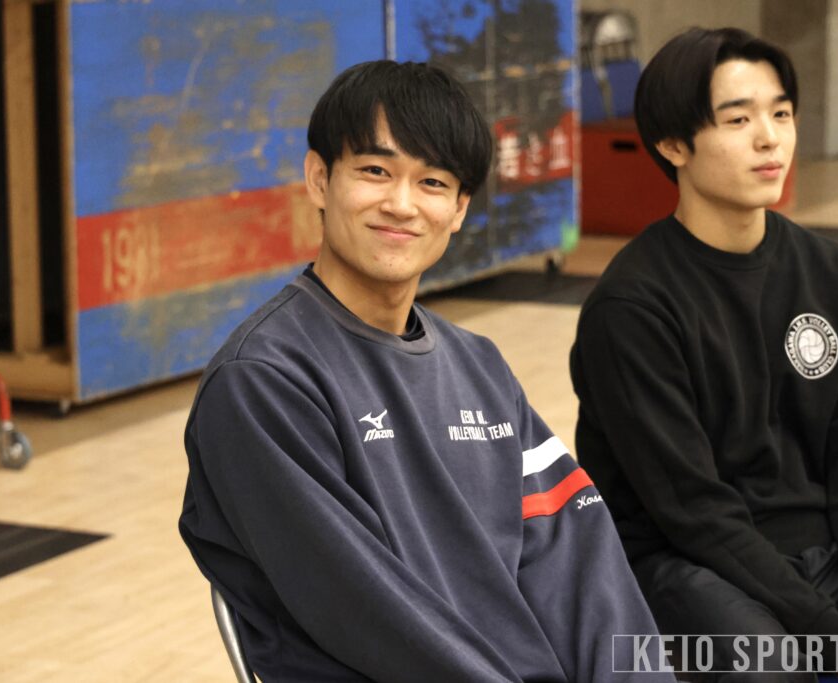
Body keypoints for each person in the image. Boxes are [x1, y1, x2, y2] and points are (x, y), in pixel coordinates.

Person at [180, 60, 671, 682]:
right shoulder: (263, 381)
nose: (402, 204)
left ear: (460, 208)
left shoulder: (478, 365)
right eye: (375, 171)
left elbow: (579, 559)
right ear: (319, 178)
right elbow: (369, 612)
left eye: (433, 182)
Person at [570, 26, 838, 682]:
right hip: (684, 566)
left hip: (824, 545)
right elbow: (693, 513)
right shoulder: (632, 307)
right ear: (674, 144)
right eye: (738, 119)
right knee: (772, 667)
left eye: (781, 113)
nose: (769, 138)